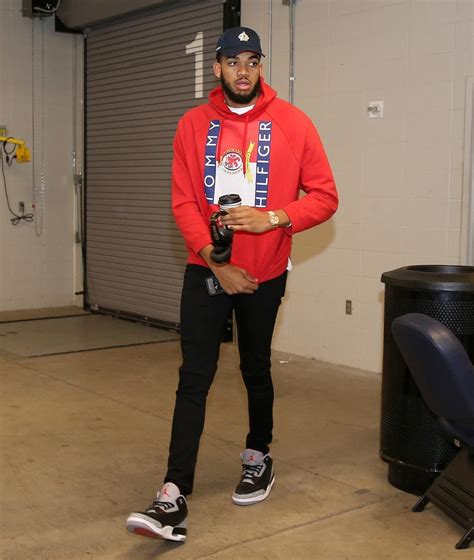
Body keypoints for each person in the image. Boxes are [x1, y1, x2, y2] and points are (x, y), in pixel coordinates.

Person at [126, 26, 338, 543]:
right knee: (193, 375)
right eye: (232, 61)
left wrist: (276, 217)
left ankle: (257, 454)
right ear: (216, 69)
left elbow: (325, 195)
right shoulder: (192, 125)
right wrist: (215, 263)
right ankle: (173, 493)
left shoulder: (293, 123)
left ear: (260, 68)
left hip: (265, 273)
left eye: (252, 60)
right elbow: (182, 202)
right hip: (207, 269)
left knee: (254, 366)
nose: (243, 70)